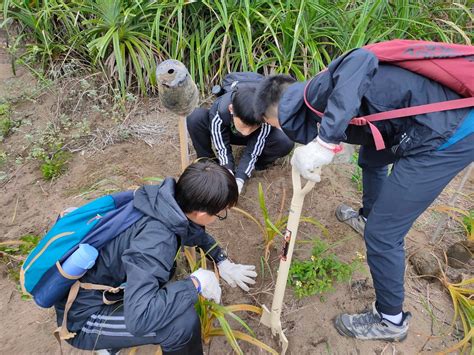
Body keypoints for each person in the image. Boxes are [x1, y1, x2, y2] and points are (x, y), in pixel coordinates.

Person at [253, 50, 474, 341]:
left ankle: (390, 321)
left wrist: (325, 140)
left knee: (383, 234)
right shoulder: (310, 99)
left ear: (274, 114)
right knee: (371, 158)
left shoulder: (319, 91)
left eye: (272, 125)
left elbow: (362, 59)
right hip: (425, 120)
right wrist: (330, 141)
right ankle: (366, 217)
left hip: (449, 131)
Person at [54, 160, 257, 354]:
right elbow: (140, 318)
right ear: (202, 214)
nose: (219, 217)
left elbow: (191, 230)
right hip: (82, 318)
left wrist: (221, 259)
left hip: (102, 287)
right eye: (220, 214)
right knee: (180, 324)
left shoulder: (161, 200)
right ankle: (104, 342)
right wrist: (195, 284)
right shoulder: (156, 243)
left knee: (167, 276)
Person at [186, 83, 294, 194]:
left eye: (252, 127)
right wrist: (227, 170)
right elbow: (222, 147)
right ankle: (210, 163)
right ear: (231, 109)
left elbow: (254, 149)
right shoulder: (220, 111)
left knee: (285, 141)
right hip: (230, 132)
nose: (246, 132)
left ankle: (257, 165)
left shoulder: (265, 115)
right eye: (244, 125)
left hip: (257, 136)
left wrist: (239, 179)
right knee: (195, 117)